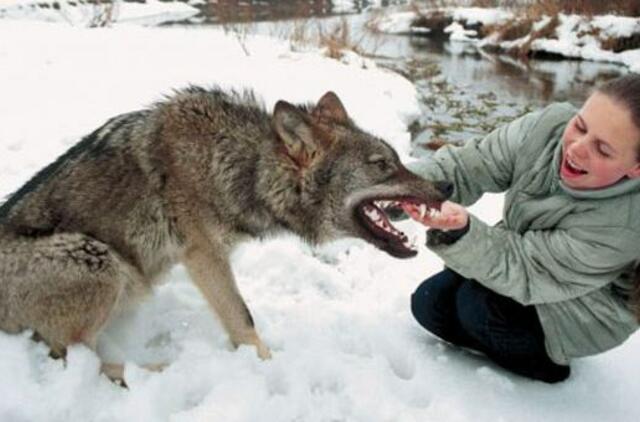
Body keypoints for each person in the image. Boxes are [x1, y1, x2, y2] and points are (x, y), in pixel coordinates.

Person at [404, 73, 640, 383]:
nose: (577, 148)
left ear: (636, 169)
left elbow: (527, 268)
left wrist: (460, 231)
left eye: (603, 150)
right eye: (580, 126)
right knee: (429, 303)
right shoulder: (547, 129)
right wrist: (396, 187)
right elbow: (467, 167)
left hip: (587, 310)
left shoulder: (624, 227)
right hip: (525, 258)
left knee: (477, 309)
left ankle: (548, 364)